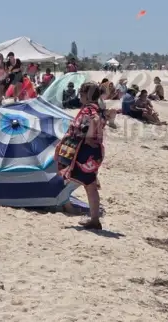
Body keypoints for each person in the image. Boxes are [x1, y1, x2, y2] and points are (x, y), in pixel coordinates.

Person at [58, 82, 105, 230]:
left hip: (85, 150)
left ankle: (93, 219)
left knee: (84, 183)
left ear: (87, 95)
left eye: (82, 94)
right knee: (89, 185)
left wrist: (89, 136)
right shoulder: (98, 107)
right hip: (94, 150)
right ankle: (94, 219)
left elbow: (95, 121)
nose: (80, 97)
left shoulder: (90, 109)